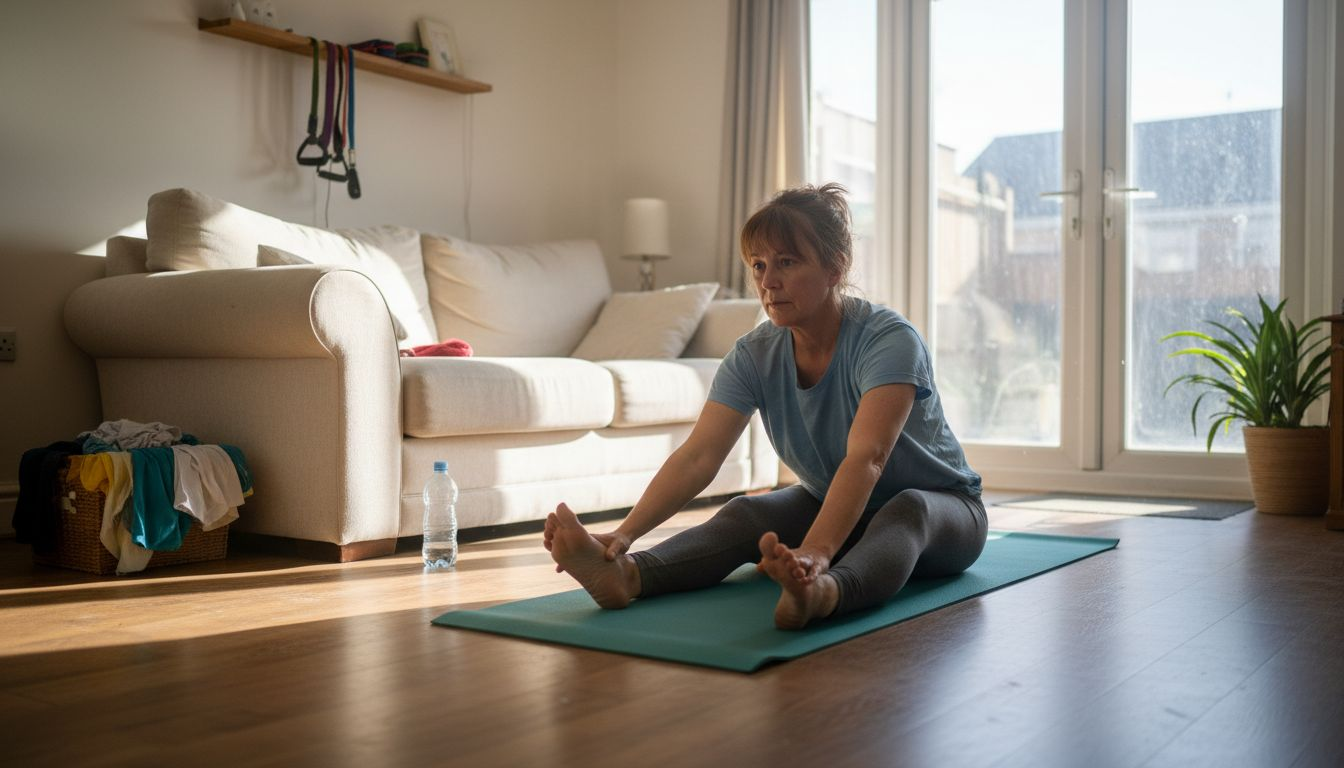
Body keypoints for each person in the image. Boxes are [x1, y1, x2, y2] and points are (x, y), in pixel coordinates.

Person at [543, 183, 986, 629]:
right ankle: (626, 574)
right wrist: (623, 534)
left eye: (787, 262)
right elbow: (698, 457)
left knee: (907, 508)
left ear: (835, 267)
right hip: (839, 511)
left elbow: (867, 458)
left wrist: (815, 553)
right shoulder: (753, 355)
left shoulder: (888, 340)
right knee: (747, 513)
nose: (768, 282)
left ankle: (823, 592)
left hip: (944, 514)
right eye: (759, 265)